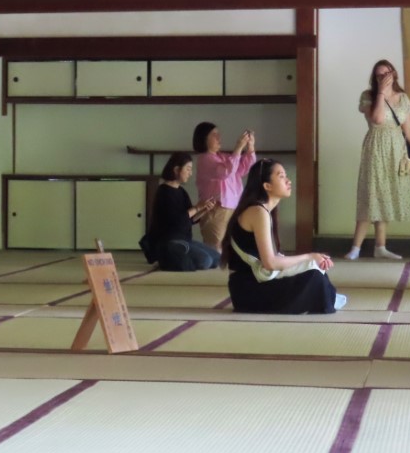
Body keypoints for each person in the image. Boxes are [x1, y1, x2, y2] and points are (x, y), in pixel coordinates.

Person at [224, 158, 344, 314]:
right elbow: (270, 263)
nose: (288, 181)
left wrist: (312, 259)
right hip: (249, 290)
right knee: (314, 278)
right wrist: (309, 256)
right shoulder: (258, 212)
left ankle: (327, 297)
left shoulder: (263, 211)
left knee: (315, 274)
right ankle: (327, 297)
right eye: (281, 176)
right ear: (267, 186)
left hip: (253, 285)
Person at [345, 59, 410, 261]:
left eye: (387, 73)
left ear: (394, 74)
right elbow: (378, 119)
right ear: (375, 78)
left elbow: (408, 130)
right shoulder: (369, 96)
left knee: (386, 195)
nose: (384, 77)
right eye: (379, 75)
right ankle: (356, 247)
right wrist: (381, 93)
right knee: (371, 194)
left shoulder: (403, 98)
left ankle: (380, 247)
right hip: (375, 146)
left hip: (396, 148)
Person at [146, 152, 221, 271]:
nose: (190, 173)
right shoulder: (163, 192)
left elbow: (189, 220)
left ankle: (179, 257)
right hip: (170, 240)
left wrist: (204, 209)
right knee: (205, 261)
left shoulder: (181, 191)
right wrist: (197, 208)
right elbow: (177, 220)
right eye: (188, 169)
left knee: (217, 258)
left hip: (185, 240)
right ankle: (167, 258)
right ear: (176, 170)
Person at [192, 122, 258, 252]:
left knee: (231, 247)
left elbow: (244, 169)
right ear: (204, 138)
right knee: (216, 248)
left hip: (233, 208)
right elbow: (225, 172)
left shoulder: (223, 157)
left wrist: (250, 147)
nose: (219, 137)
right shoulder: (205, 159)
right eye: (214, 134)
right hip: (215, 209)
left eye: (218, 133)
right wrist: (238, 148)